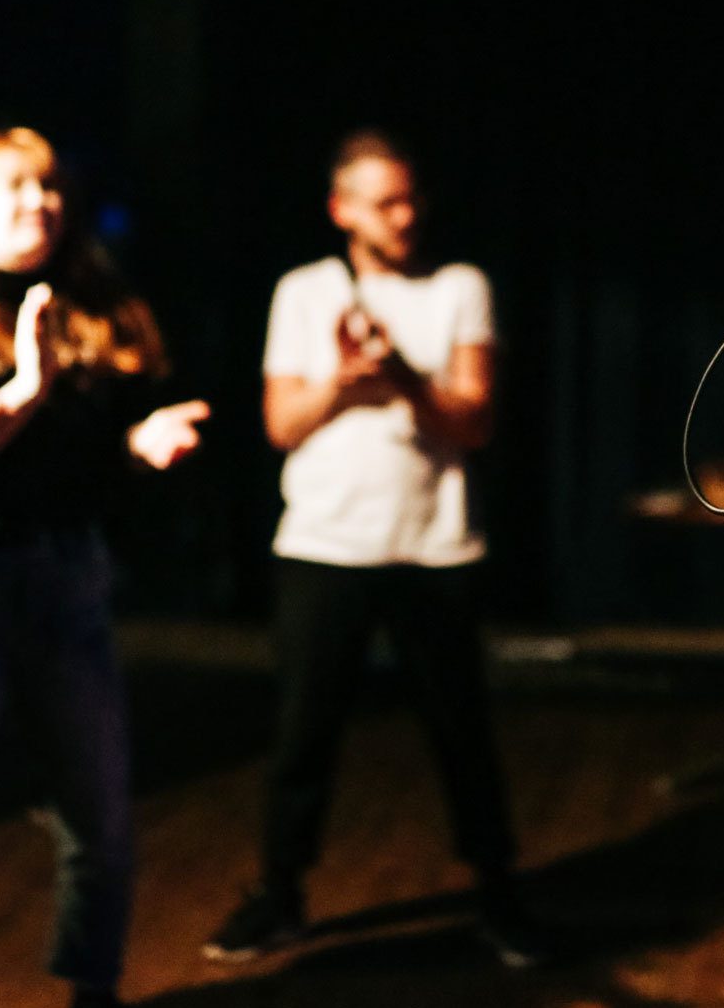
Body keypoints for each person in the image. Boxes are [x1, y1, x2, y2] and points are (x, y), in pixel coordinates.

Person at [0, 127, 209, 1008]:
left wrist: (141, 446)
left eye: (52, 188)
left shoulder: (98, 310)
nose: (40, 204)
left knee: (100, 817)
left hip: (69, 574)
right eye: (16, 188)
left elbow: (98, 461)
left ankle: (92, 989)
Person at [205, 131, 541, 968]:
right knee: (302, 737)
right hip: (323, 544)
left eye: (411, 198)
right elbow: (280, 424)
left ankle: (498, 893)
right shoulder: (303, 291)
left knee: (462, 735)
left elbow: (475, 421)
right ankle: (280, 894)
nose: (405, 215)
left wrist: (402, 376)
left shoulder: (460, 287)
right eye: (385, 202)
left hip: (435, 547)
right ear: (341, 210)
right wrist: (342, 380)